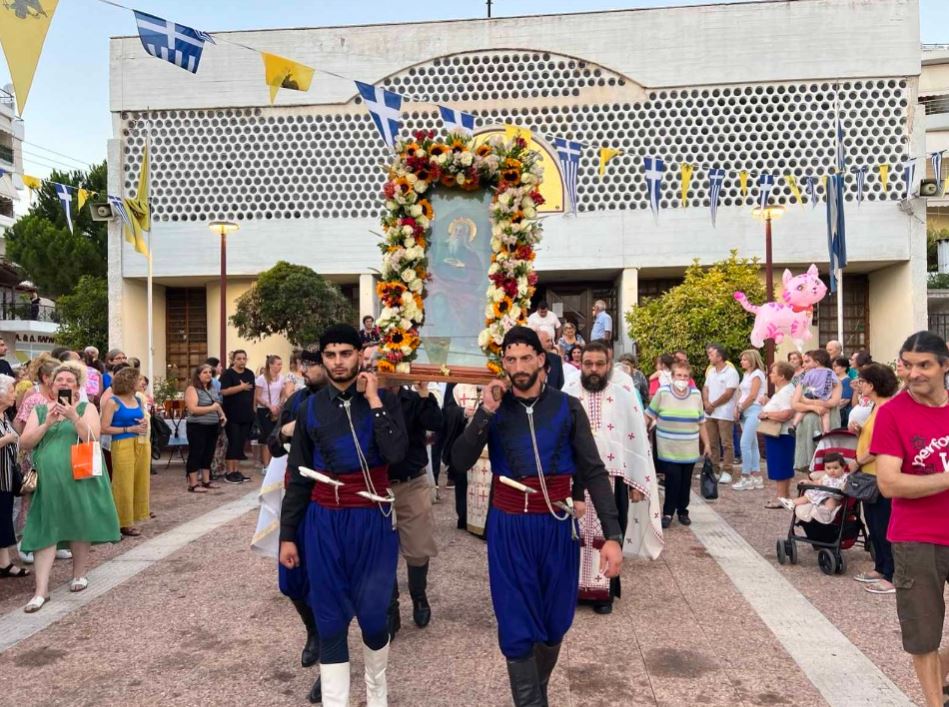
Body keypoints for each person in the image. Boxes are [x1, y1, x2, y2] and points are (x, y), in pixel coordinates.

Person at [450, 326, 623, 706]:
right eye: (510, 359)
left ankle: (537, 690)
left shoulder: (566, 407)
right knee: (514, 620)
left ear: (542, 360)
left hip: (557, 527)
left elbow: (592, 470)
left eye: (526, 357)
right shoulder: (494, 409)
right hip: (509, 527)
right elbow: (458, 462)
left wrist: (613, 535)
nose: (518, 366)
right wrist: (484, 412)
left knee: (554, 620)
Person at [280, 324, 407, 706]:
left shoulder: (383, 399)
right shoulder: (309, 410)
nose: (338, 362)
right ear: (322, 359)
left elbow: (396, 453)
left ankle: (376, 694)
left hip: (372, 519)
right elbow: (299, 477)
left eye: (345, 353)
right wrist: (288, 534)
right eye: (331, 355)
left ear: (360, 355)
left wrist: (373, 400)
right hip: (325, 522)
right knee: (330, 617)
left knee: (373, 616)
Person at [872, 331, 949, 706]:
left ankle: (942, 672)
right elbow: (889, 483)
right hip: (917, 538)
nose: (913, 374)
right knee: (924, 633)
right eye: (907, 365)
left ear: (944, 367)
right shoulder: (892, 413)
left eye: (924, 365)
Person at [564, 341, 662, 614]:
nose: (593, 370)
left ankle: (602, 595)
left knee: (608, 534)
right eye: (588, 364)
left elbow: (635, 439)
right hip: (573, 478)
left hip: (611, 479)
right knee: (574, 537)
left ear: (609, 365)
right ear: (580, 365)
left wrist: (635, 480)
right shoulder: (567, 393)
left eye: (599, 364)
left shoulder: (623, 393)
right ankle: (571, 590)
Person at [251, 347, 325, 704]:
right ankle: (313, 630)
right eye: (305, 365)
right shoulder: (298, 401)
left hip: (334, 504)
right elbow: (273, 445)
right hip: (298, 500)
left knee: (330, 585)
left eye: (314, 364)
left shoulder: (348, 401)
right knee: (291, 581)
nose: (307, 370)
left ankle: (331, 664)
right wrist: (284, 433)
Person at [19, 365, 121, 612]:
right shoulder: (40, 409)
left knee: (78, 522)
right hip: (48, 481)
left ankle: (78, 574)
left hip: (79, 476)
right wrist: (47, 423)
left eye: (69, 380)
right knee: (46, 527)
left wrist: (73, 416)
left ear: (77, 386)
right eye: (59, 379)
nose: (64, 382)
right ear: (52, 385)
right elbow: (25, 442)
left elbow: (93, 439)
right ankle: (41, 591)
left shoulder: (88, 408)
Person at [386, 381, 442, 637]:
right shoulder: (367, 399)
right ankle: (390, 606)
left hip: (411, 481)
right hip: (378, 485)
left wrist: (423, 392)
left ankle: (419, 596)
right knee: (380, 551)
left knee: (418, 547)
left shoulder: (413, 398)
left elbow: (435, 422)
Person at [848, 362, 899, 595]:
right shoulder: (876, 407)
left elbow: (881, 445)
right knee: (874, 525)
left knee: (883, 524)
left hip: (880, 473)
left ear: (872, 384)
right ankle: (880, 567)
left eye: (862, 381)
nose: (859, 385)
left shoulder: (886, 408)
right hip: (870, 475)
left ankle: (891, 574)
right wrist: (860, 431)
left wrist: (857, 462)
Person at [647, 360, 711, 528]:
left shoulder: (696, 395)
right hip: (668, 446)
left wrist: (707, 444)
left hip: (689, 447)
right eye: (679, 375)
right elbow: (649, 415)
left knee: (685, 481)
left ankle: (683, 510)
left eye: (685, 376)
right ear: (672, 376)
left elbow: (701, 421)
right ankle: (668, 512)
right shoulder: (662, 393)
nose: (682, 379)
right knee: (672, 480)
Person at [100, 367, 150, 537]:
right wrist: (128, 428)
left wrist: (143, 423)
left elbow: (141, 417)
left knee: (139, 480)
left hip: (141, 442)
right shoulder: (113, 402)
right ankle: (121, 521)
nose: (142, 383)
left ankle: (132, 517)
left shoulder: (138, 400)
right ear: (130, 382)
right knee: (123, 482)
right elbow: (103, 428)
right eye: (139, 380)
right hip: (122, 443)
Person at [759, 362, 797, 509]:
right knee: (781, 465)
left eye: (773, 372)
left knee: (780, 465)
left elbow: (787, 413)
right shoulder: (783, 390)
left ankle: (781, 496)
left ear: (781, 376)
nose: (770, 375)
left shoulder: (786, 391)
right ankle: (783, 495)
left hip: (781, 433)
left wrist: (766, 414)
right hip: (779, 433)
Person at [0, 374, 27, 578]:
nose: (14, 394)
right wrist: (7, 439)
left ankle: (4, 563)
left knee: (4, 519)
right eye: (10, 390)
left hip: (6, 477)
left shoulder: (4, 415)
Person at [184, 364, 226, 493]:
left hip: (212, 426)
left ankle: (206, 481)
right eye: (205, 372)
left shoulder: (212, 388)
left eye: (210, 372)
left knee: (208, 453)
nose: (208, 375)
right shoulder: (192, 389)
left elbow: (217, 404)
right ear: (198, 375)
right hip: (197, 426)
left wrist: (222, 415)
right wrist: (211, 409)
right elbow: (193, 409)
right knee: (196, 453)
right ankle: (193, 484)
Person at [702, 344, 738, 484]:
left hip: (724, 413)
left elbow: (729, 393)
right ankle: (714, 470)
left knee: (726, 443)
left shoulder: (731, 372)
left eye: (711, 354)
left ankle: (728, 471)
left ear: (720, 356)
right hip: (710, 413)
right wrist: (706, 402)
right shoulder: (711, 372)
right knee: (712, 443)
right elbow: (705, 388)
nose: (709, 356)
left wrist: (713, 405)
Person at [779, 452, 849, 523]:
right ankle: (792, 503)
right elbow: (818, 482)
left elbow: (848, 486)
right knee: (808, 497)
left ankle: (826, 512)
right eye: (828, 468)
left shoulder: (845, 477)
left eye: (835, 468)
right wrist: (809, 482)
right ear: (824, 468)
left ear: (843, 467)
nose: (832, 471)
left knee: (831, 502)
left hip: (834, 496)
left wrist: (845, 486)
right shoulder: (826, 477)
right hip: (822, 494)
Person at [732, 349, 767, 491]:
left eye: (745, 359)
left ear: (752, 360)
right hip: (744, 409)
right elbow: (743, 393)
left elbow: (753, 395)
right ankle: (756, 475)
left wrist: (740, 408)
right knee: (752, 443)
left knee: (745, 443)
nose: (742, 361)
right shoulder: (747, 374)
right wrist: (738, 407)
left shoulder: (757, 374)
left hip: (753, 410)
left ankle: (746, 475)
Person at [220, 350, 256, 484]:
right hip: (232, 414)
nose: (242, 361)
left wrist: (253, 410)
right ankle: (229, 472)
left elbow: (253, 391)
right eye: (239, 359)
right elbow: (223, 391)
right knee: (233, 442)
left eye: (244, 358)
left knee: (240, 444)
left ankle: (236, 471)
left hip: (246, 414)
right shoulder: (228, 374)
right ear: (233, 360)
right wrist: (240, 387)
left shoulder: (249, 373)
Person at [790, 349, 838, 435]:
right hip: (822, 397)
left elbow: (834, 402)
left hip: (811, 395)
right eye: (803, 362)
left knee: (802, 411)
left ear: (816, 362)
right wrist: (814, 407)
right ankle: (826, 431)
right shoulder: (830, 373)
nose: (803, 365)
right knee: (825, 413)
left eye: (807, 362)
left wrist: (807, 402)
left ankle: (794, 425)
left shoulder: (810, 374)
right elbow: (794, 404)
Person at [255, 354, 287, 472]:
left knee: (277, 436)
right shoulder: (261, 379)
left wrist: (280, 404)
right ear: (271, 365)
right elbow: (257, 397)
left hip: (277, 410)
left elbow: (283, 393)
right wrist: (269, 406)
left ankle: (275, 464)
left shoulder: (281, 378)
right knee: (267, 437)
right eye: (278, 364)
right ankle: (266, 465)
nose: (280, 366)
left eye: (281, 364)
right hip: (264, 410)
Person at [832, 356, 853, 427]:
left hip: (841, 413)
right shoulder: (834, 379)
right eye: (833, 366)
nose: (833, 368)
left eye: (836, 366)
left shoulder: (847, 381)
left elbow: (845, 400)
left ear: (844, 368)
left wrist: (830, 406)